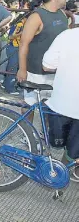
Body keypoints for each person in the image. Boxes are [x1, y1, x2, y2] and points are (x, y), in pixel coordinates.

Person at [17, 0, 68, 122]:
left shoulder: (62, 14)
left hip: (56, 70)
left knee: (51, 106)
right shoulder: (36, 16)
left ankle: (46, 136)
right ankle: (27, 134)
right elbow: (23, 44)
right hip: (36, 70)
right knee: (29, 104)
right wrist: (22, 69)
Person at [42, 27, 79, 180]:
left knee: (57, 142)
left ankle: (61, 168)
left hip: (60, 104)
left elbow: (47, 66)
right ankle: (70, 166)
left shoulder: (67, 35)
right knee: (74, 147)